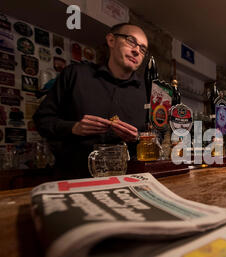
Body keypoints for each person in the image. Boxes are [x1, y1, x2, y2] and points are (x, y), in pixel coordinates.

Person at [33, 23, 149, 179]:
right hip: (73, 178)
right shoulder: (75, 75)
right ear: (111, 40)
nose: (136, 51)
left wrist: (138, 138)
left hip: (127, 181)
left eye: (142, 49)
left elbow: (157, 137)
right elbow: (42, 120)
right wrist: (74, 127)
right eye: (131, 41)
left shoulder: (147, 93)